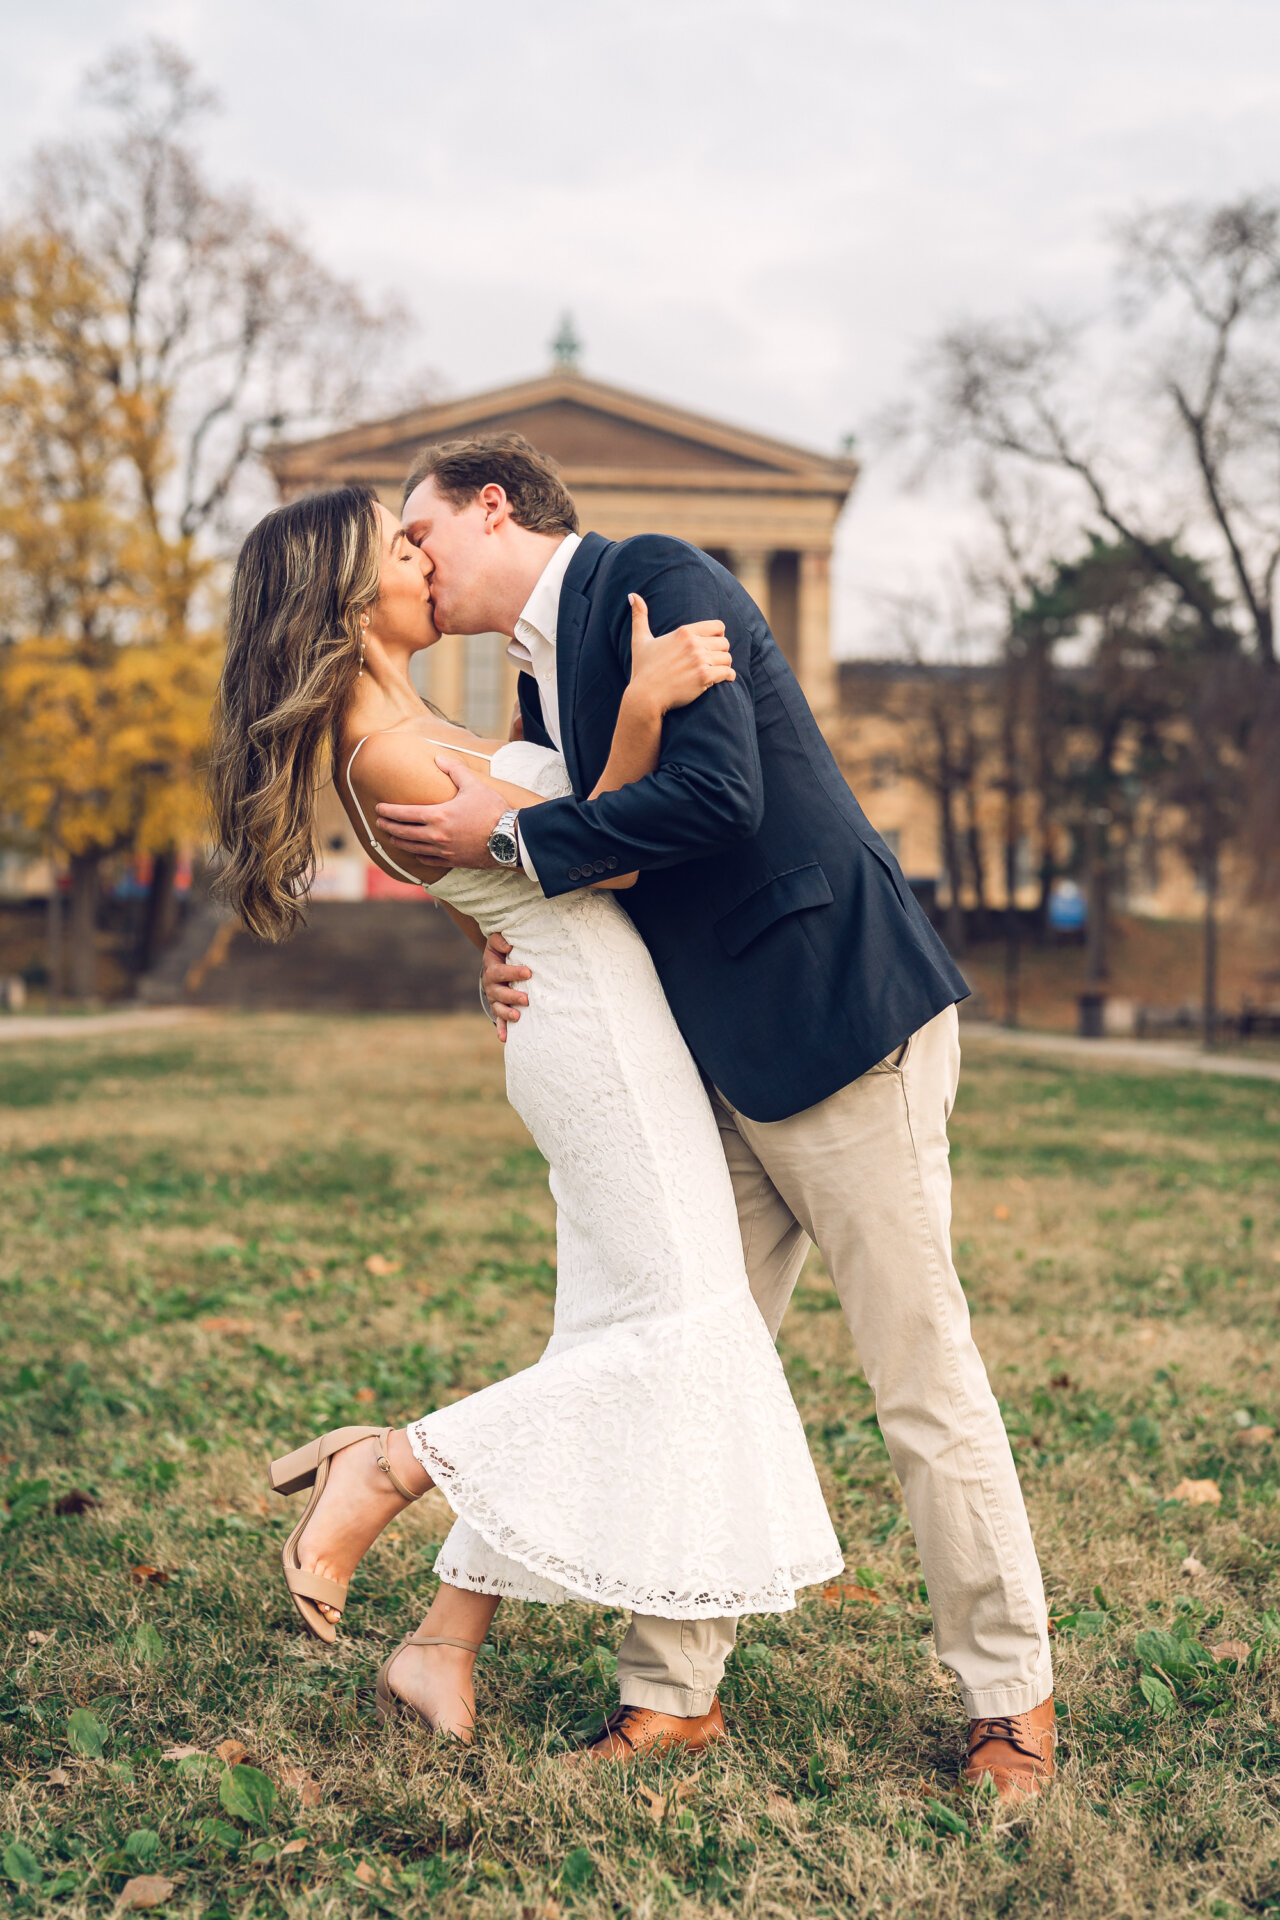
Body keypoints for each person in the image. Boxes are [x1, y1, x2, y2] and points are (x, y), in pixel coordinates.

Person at [375, 432, 1057, 1799]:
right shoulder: (539, 674)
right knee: (688, 1357)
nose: (413, 562)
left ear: (490, 506)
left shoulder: (656, 574)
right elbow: (606, 857)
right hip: (710, 1059)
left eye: (420, 533)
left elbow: (717, 796)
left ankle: (1010, 1701)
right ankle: (672, 1696)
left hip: (838, 1016)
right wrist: (499, 938)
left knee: (920, 1376)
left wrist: (511, 841)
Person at [207, 484, 842, 1750]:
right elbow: (599, 854)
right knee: (681, 1330)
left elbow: (508, 880)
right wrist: (643, 709)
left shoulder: (420, 724)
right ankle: (382, 1466)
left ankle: (443, 1645)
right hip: (596, 1042)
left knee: (612, 1337)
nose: (422, 559)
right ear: (346, 597)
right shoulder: (380, 752)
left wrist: (490, 944)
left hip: (597, 1012)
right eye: (398, 547)